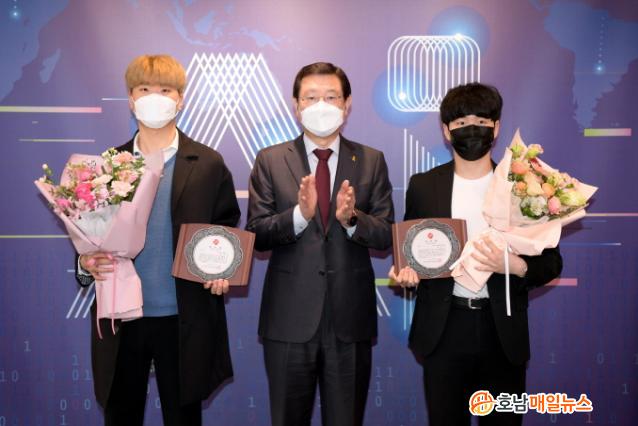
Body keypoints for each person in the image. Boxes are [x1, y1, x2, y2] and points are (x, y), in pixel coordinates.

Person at [76, 54, 241, 426]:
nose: (155, 97)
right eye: (144, 89)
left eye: (165, 90)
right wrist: (86, 263)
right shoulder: (107, 165)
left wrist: (223, 270)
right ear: (131, 99)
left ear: (180, 99)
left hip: (183, 318)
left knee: (183, 418)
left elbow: (226, 228)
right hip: (122, 318)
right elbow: (87, 234)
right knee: (121, 416)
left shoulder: (208, 163)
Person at [389, 83, 563, 426]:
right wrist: (406, 276)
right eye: (461, 122)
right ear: (446, 130)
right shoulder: (423, 185)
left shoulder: (524, 186)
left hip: (502, 330)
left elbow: (552, 262)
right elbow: (412, 255)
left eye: (481, 121)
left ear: (496, 128)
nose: (472, 129)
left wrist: (514, 265)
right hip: (443, 328)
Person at [246, 62, 394, 426]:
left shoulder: (371, 160)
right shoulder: (270, 160)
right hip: (288, 319)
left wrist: (352, 219)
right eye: (311, 97)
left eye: (331, 97)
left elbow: (386, 234)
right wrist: (299, 214)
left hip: (349, 319)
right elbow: (257, 235)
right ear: (296, 105)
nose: (321, 105)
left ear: (347, 104)